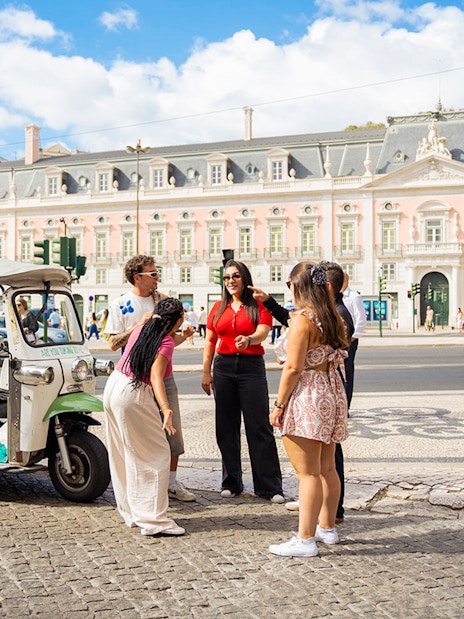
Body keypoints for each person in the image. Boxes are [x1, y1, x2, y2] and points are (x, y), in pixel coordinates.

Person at [250, 261, 354, 522]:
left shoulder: (302, 319)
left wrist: (279, 405)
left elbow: (294, 368)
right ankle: (327, 528)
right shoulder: (332, 316)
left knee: (307, 474)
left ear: (299, 286)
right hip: (331, 389)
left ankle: (306, 537)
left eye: (290, 285)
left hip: (309, 393)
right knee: (328, 469)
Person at [104, 255, 196, 502]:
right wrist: (137, 326)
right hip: (136, 380)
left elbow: (168, 341)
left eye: (157, 272)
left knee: (172, 431)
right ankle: (139, 485)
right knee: (139, 435)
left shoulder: (163, 301)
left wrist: (184, 335)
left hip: (164, 376)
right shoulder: (121, 304)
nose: (157, 277)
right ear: (138, 277)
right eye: (153, 274)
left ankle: (171, 483)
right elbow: (112, 343)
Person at [201, 260, 284, 503]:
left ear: (244, 278)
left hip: (251, 368)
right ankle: (231, 482)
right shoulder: (218, 307)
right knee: (226, 427)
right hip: (223, 367)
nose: (231, 281)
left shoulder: (258, 304)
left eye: (235, 276)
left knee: (259, 426)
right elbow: (209, 342)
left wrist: (249, 340)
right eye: (226, 278)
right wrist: (206, 372)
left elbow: (263, 331)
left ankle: (269, 486)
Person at [103, 297, 186, 536]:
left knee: (123, 452)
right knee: (157, 454)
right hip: (134, 393)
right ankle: (154, 521)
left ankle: (131, 512)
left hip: (114, 385)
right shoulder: (166, 340)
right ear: (177, 320)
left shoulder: (143, 328)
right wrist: (166, 408)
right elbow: (156, 376)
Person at [341, 272, 367, 407]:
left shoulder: (354, 297)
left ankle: (346, 406)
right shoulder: (333, 297)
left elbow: (361, 320)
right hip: (336, 340)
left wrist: (352, 337)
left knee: (347, 372)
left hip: (349, 340)